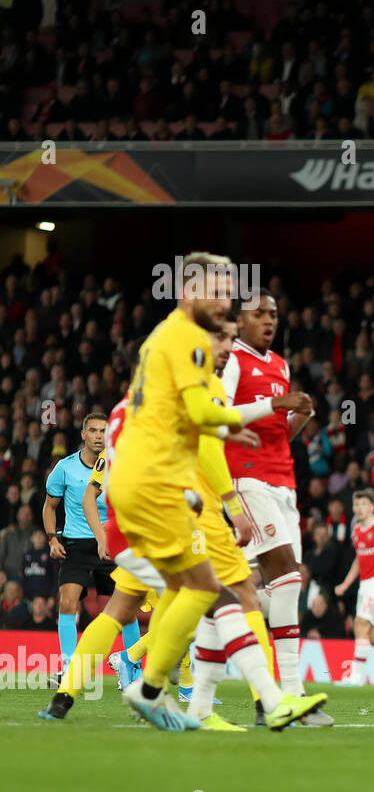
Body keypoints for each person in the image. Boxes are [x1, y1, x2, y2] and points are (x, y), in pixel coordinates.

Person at [50, 253, 324, 730]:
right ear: (188, 294)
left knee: (184, 594)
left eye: (227, 294)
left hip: (140, 495)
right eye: (216, 294)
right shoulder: (190, 344)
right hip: (164, 492)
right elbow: (203, 412)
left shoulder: (158, 349)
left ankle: (137, 690)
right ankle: (252, 699)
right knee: (226, 594)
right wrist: (269, 408)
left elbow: (189, 419)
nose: (224, 306)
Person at [223, 292, 332, 725]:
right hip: (245, 478)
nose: (268, 320)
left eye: (273, 314)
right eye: (258, 314)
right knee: (286, 577)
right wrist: (276, 404)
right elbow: (223, 418)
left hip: (283, 482)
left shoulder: (281, 365)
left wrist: (300, 417)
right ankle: (289, 694)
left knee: (283, 588)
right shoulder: (232, 360)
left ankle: (212, 615)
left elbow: (278, 435)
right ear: (239, 320)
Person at [42, 412, 113, 676]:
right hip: (76, 544)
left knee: (126, 605)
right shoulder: (64, 467)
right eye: (93, 431)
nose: (98, 436)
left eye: (103, 431)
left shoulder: (117, 465)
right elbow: (49, 507)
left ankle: (132, 669)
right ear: (83, 435)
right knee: (68, 601)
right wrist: (52, 538)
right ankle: (69, 667)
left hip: (109, 542)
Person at [333, 488, 374, 685]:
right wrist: (345, 584)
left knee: (360, 623)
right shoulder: (356, 530)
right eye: (356, 504)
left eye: (364, 504)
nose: (359, 508)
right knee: (369, 633)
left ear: (372, 507)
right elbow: (358, 559)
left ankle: (357, 677)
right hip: (365, 584)